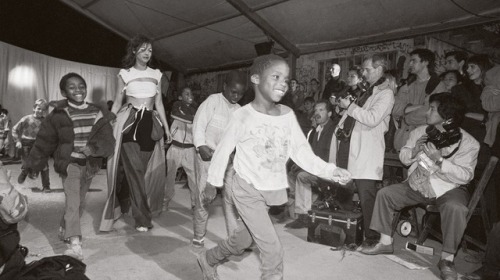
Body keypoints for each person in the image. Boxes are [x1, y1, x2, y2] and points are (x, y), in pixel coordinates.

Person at [196, 54, 351, 280]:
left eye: (286, 79)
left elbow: (301, 152)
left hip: (270, 189)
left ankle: (208, 259)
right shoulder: (242, 115)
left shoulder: (287, 115)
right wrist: (212, 183)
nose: (282, 83)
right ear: (256, 79)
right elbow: (222, 151)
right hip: (246, 189)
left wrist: (331, 170)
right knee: (273, 251)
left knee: (242, 241)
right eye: (276, 76)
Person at [361, 93, 479, 280]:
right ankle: (385, 242)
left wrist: (440, 161)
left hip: (448, 187)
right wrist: (414, 151)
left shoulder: (469, 143)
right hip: (418, 184)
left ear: (447, 117)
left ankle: (447, 260)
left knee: (456, 208)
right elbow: (404, 157)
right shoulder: (421, 131)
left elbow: (466, 176)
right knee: (385, 193)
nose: (427, 112)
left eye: (432, 108)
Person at [23, 72, 115, 260]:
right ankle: (75, 244)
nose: (78, 90)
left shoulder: (97, 111)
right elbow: (43, 142)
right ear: (64, 92)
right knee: (73, 203)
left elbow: (108, 140)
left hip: (90, 166)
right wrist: (32, 165)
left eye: (81, 86)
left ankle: (65, 228)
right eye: (72, 87)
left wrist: (94, 149)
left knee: (80, 203)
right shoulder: (57, 115)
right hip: (69, 164)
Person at [100, 35, 172, 233]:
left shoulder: (157, 74)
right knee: (135, 170)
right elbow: (117, 101)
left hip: (149, 124)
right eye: (143, 49)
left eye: (149, 50)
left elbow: (159, 104)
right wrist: (107, 123)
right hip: (129, 123)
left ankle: (125, 200)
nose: (147, 53)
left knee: (142, 170)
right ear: (134, 51)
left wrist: (166, 128)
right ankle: (142, 218)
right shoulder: (124, 73)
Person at [337, 54, 395, 244]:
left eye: (367, 69)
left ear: (379, 69)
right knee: (343, 189)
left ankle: (372, 238)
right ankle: (346, 232)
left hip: (368, 150)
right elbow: (352, 114)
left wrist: (350, 107)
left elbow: (372, 118)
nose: (363, 73)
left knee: (366, 196)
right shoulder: (367, 91)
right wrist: (341, 120)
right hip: (351, 145)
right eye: (362, 69)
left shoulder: (386, 94)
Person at [192, 70, 246, 247]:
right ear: (225, 87)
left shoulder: (239, 111)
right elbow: (198, 124)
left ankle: (234, 238)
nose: (236, 96)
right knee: (205, 197)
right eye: (233, 91)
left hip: (228, 161)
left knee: (231, 197)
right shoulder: (212, 102)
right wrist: (201, 145)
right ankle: (199, 235)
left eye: (240, 93)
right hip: (208, 156)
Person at [285, 100, 338, 228]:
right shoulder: (316, 130)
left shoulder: (334, 130)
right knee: (293, 175)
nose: (317, 113)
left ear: (330, 113)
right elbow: (311, 155)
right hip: (317, 170)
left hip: (329, 172)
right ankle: (301, 212)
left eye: (321, 110)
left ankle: (304, 215)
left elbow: (331, 157)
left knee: (301, 176)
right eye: (316, 110)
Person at [392, 49, 446, 151]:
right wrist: (420, 106)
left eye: (414, 61)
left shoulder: (438, 86)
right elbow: (395, 109)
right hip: (404, 141)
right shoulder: (406, 86)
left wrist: (406, 116)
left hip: (426, 142)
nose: (410, 64)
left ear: (425, 62)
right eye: (410, 61)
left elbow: (430, 113)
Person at [164, 87, 198, 211]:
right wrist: (196, 119)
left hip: (190, 150)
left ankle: (195, 204)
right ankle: (165, 201)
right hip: (175, 148)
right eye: (186, 93)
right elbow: (177, 115)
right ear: (180, 97)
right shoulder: (177, 105)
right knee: (170, 177)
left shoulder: (195, 109)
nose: (190, 96)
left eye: (191, 94)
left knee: (194, 178)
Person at [334, 65, 368, 169]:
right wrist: (338, 106)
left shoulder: (364, 93)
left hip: (357, 130)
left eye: (352, 76)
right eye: (348, 76)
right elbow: (337, 111)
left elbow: (362, 112)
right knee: (341, 160)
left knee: (354, 163)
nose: (349, 78)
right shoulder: (344, 91)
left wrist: (349, 106)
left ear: (360, 79)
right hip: (345, 130)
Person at [13, 99, 50, 192]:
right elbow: (14, 129)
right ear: (34, 108)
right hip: (26, 144)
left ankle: (46, 186)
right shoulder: (26, 119)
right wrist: (17, 141)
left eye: (43, 110)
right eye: (38, 108)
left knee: (44, 166)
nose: (40, 111)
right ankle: (25, 171)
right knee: (27, 164)